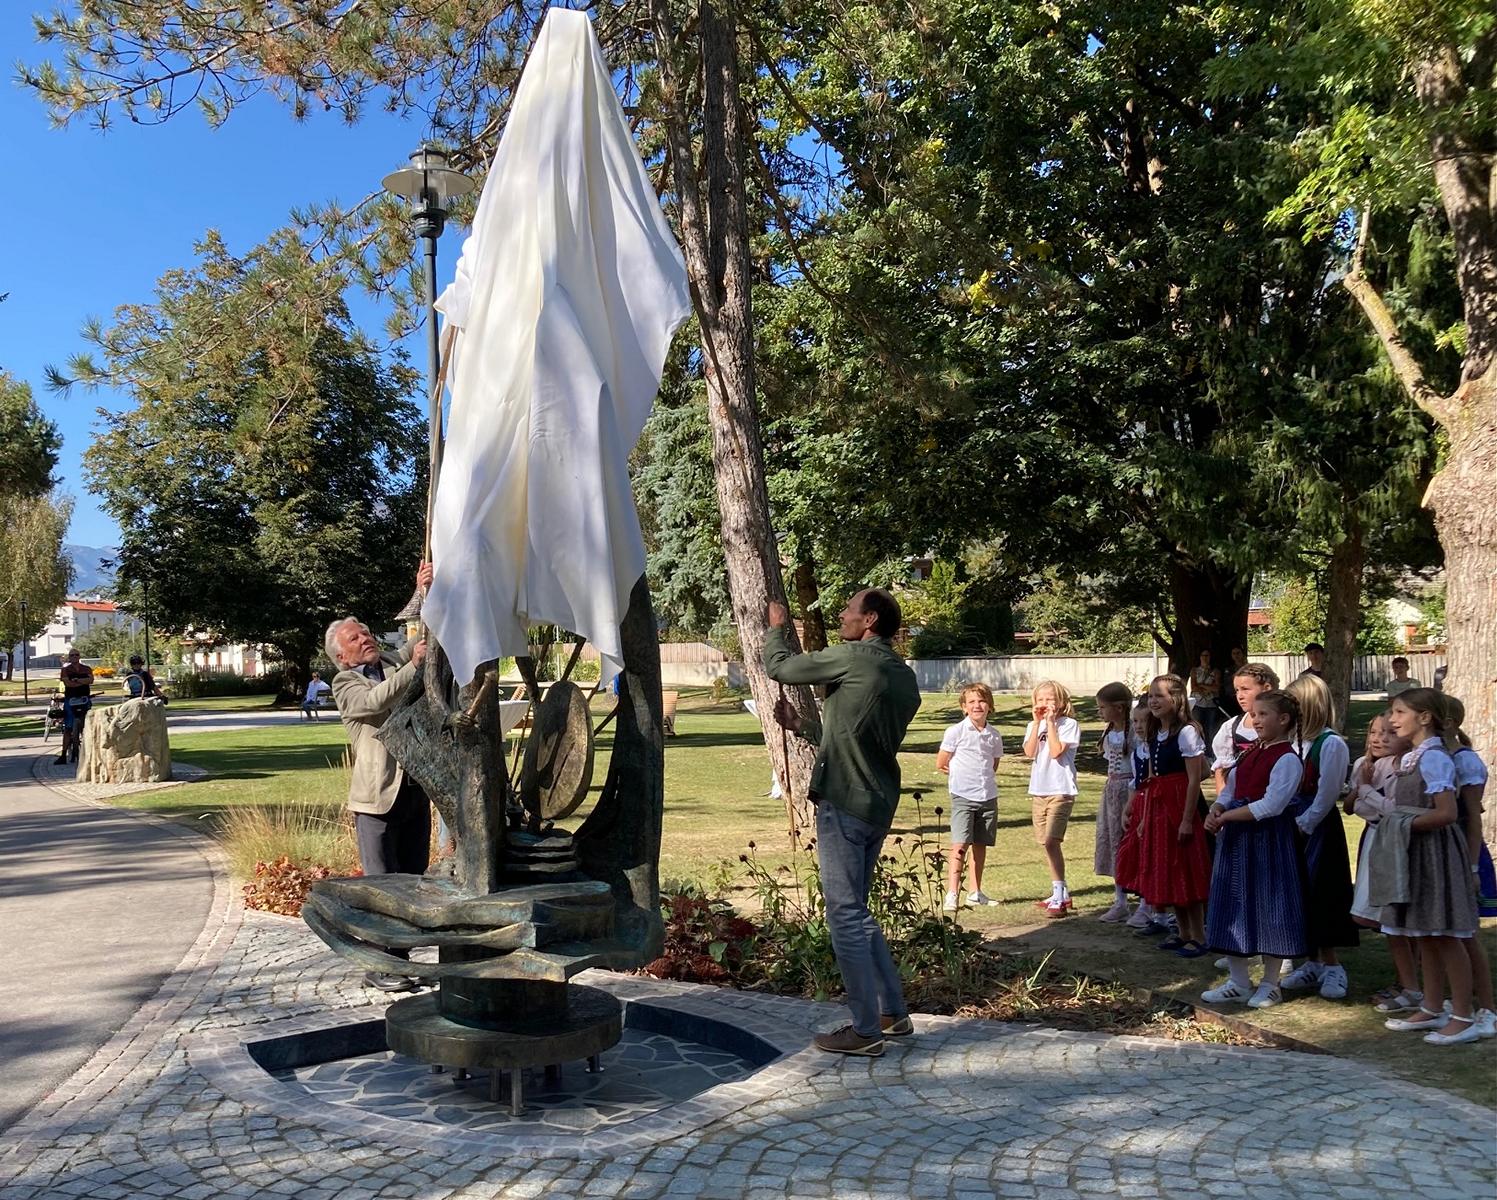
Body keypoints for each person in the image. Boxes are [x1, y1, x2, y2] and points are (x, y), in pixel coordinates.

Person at [764, 588, 921, 1057]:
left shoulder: (854, 657)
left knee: (845, 915)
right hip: (877, 802)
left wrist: (777, 628)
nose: (841, 614)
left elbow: (782, 668)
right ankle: (892, 1013)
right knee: (859, 909)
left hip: (844, 802)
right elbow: (856, 737)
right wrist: (803, 727)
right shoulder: (901, 676)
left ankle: (865, 1031)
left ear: (869, 620)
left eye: (849, 609)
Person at [328, 562, 434, 994]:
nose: (366, 639)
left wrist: (425, 592)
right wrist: (413, 665)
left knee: (411, 883)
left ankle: (400, 960)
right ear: (342, 654)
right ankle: (381, 964)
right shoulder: (345, 683)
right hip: (376, 801)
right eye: (356, 638)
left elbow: (423, 645)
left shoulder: (392, 663)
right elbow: (376, 701)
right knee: (382, 887)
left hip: (413, 792)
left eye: (367, 633)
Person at [1379, 689, 1481, 1045]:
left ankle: (1464, 1015)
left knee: (1446, 933)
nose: (1392, 720)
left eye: (1399, 712)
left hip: (1435, 852)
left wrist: (1400, 822)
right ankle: (1433, 1005)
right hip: (1416, 852)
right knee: (1425, 932)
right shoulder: (1413, 757)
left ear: (1424, 717)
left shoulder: (1435, 758)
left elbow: (1447, 813)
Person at [1201, 690, 1309, 1008]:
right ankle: (1238, 981)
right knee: (1231, 904)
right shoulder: (1249, 754)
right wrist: (1217, 808)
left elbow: (1272, 805)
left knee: (1269, 907)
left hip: (1268, 842)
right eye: (1254, 715)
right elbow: (1232, 787)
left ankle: (1271, 982)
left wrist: (1228, 816)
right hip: (1237, 840)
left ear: (1283, 719)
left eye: (1263, 715)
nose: (1256, 720)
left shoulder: (1287, 759)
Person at [1279, 673, 1358, 999]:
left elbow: (1327, 795)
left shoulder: (1331, 744)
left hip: (1317, 829)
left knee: (1321, 893)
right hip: (1290, 825)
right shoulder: (1293, 742)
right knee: (1298, 894)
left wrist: (1304, 824)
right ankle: (1310, 960)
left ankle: (1332, 965)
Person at [1344, 713, 1422, 1014]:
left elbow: (1388, 810)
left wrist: (1365, 792)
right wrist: (1360, 790)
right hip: (1373, 841)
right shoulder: (1363, 766)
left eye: (1388, 733)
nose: (1379, 739)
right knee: (1386, 921)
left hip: (1392, 843)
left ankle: (1409, 983)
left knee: (1397, 918)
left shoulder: (1403, 767)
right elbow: (1353, 808)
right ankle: (1405, 981)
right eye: (1374, 733)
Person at [1133, 674, 1212, 955]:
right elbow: (1153, 777)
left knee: (1185, 868)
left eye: (1159, 696)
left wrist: (1188, 819)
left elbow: (1195, 778)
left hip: (1180, 805)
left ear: (1175, 699)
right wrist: (1144, 818)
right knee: (1167, 868)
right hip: (1158, 807)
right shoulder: (1155, 733)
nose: (1153, 701)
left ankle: (1199, 935)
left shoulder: (1187, 732)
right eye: (1151, 695)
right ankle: (1183, 931)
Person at [937, 682, 1003, 911]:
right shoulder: (955, 731)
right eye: (972, 702)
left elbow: (993, 764)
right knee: (960, 844)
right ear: (964, 707)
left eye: (982, 701)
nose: (977, 706)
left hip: (987, 795)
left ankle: (975, 892)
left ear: (990, 706)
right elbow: (942, 762)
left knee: (981, 844)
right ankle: (952, 893)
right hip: (963, 795)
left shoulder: (994, 735)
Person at [1022, 680, 1081, 917]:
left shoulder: (1069, 724)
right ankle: (1061, 892)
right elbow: (1029, 752)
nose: (1045, 704)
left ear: (1061, 703)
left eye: (1050, 700)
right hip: (1039, 789)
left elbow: (1057, 751)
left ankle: (1058, 894)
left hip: (1061, 789)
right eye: (1040, 700)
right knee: (1045, 843)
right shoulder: (1033, 725)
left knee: (1051, 841)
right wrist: (1038, 724)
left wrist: (1051, 724)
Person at [1093, 681, 1136, 922]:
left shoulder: (1134, 732)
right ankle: (1119, 899)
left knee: (1130, 842)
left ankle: (1145, 902)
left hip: (1129, 791)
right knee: (1113, 842)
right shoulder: (1109, 732)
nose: (1100, 712)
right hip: (1111, 791)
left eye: (1103, 707)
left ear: (1118, 708)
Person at [1117, 702, 1162, 931]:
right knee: (1137, 855)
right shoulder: (1138, 753)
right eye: (1135, 721)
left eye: (1144, 721)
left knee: (1153, 855)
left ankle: (1151, 905)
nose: (1139, 726)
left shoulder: (1157, 750)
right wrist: (1128, 807)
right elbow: (1136, 784)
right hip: (1141, 804)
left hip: (1155, 805)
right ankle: (1142, 903)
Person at [1211, 662, 1280, 794]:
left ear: (1266, 688)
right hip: (1240, 799)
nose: (1240, 696)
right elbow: (1221, 772)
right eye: (1237, 690)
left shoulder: (1283, 724)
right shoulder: (1231, 727)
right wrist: (1222, 804)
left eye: (1245, 689)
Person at [56, 649, 94, 766]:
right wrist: (83, 682)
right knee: (68, 728)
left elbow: (91, 680)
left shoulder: (86, 668)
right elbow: (68, 684)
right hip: (70, 699)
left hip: (84, 698)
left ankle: (90, 753)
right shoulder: (65, 670)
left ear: (79, 656)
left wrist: (77, 680)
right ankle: (63, 755)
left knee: (87, 725)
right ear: (69, 657)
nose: (74, 657)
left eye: (76, 655)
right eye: (72, 655)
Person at [1189, 649, 1223, 743]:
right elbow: (1193, 687)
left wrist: (1201, 685)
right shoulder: (1194, 670)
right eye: (1203, 655)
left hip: (1211, 704)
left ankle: (1210, 752)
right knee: (1197, 728)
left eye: (1207, 655)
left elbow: (1216, 688)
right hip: (1197, 703)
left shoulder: (1215, 671)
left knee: (1211, 729)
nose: (1205, 658)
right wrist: (1208, 688)